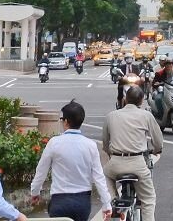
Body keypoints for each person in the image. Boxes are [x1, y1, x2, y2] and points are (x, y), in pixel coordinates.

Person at [28, 101, 111, 221]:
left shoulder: (54, 143)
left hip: (59, 201)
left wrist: (35, 192)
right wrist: (106, 203)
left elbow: (41, 172)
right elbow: (98, 177)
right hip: (82, 202)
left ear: (66, 121)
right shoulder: (90, 145)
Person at [103, 85, 162, 221]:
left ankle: (114, 202)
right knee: (148, 199)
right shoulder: (146, 115)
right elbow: (158, 140)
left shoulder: (111, 116)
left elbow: (105, 144)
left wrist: (111, 154)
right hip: (138, 164)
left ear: (125, 99)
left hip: (115, 163)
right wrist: (157, 149)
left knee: (105, 176)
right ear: (141, 101)